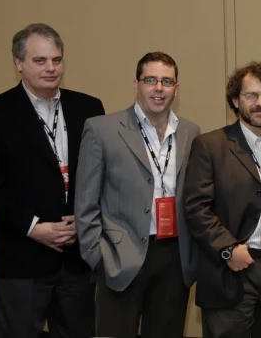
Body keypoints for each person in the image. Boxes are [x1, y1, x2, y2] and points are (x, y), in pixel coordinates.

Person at [0, 23, 105, 337]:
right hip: (20, 258)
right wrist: (33, 227)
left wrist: (85, 224)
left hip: (77, 259)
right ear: (18, 63)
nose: (51, 68)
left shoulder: (89, 108)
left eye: (56, 60)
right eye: (40, 61)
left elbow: (101, 175)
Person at [74, 51, 201, 337]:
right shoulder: (102, 129)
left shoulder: (191, 132)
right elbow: (85, 203)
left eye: (167, 82)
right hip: (120, 257)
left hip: (174, 257)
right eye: (151, 80)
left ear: (176, 89)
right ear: (136, 84)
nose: (159, 88)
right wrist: (98, 257)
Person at [183, 62, 261, 338]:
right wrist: (228, 249)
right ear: (235, 101)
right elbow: (196, 207)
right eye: (251, 95)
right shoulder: (211, 145)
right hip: (231, 269)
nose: (260, 103)